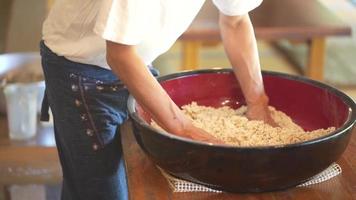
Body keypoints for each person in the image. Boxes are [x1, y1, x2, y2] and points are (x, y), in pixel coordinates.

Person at [40, 0, 275, 199]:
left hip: (136, 61)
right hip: (80, 68)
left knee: (140, 179)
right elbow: (119, 54)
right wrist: (185, 129)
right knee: (103, 189)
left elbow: (236, 21)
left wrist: (258, 103)